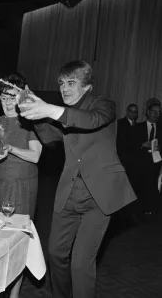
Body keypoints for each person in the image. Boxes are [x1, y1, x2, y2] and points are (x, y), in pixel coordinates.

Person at [19, 60, 137, 298]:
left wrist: (50, 110)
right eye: (61, 83)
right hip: (69, 192)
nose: (64, 88)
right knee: (55, 253)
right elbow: (51, 138)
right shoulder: (64, 114)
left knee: (81, 263)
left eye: (71, 82)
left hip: (99, 196)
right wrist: (37, 116)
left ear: (87, 86)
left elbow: (91, 120)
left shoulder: (103, 104)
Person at [0, 73, 42, 298]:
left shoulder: (30, 121)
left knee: (17, 241)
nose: (7, 102)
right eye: (4, 97)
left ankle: (14, 294)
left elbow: (36, 156)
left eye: (12, 96)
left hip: (21, 186)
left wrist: (12, 149)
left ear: (20, 98)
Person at [130, 100, 162, 217]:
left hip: (155, 162)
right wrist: (142, 145)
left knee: (152, 187)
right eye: (154, 111)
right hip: (140, 162)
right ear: (148, 112)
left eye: (159, 112)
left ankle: (150, 209)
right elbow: (130, 145)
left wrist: (160, 148)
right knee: (138, 186)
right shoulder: (137, 127)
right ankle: (136, 211)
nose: (156, 114)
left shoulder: (161, 129)